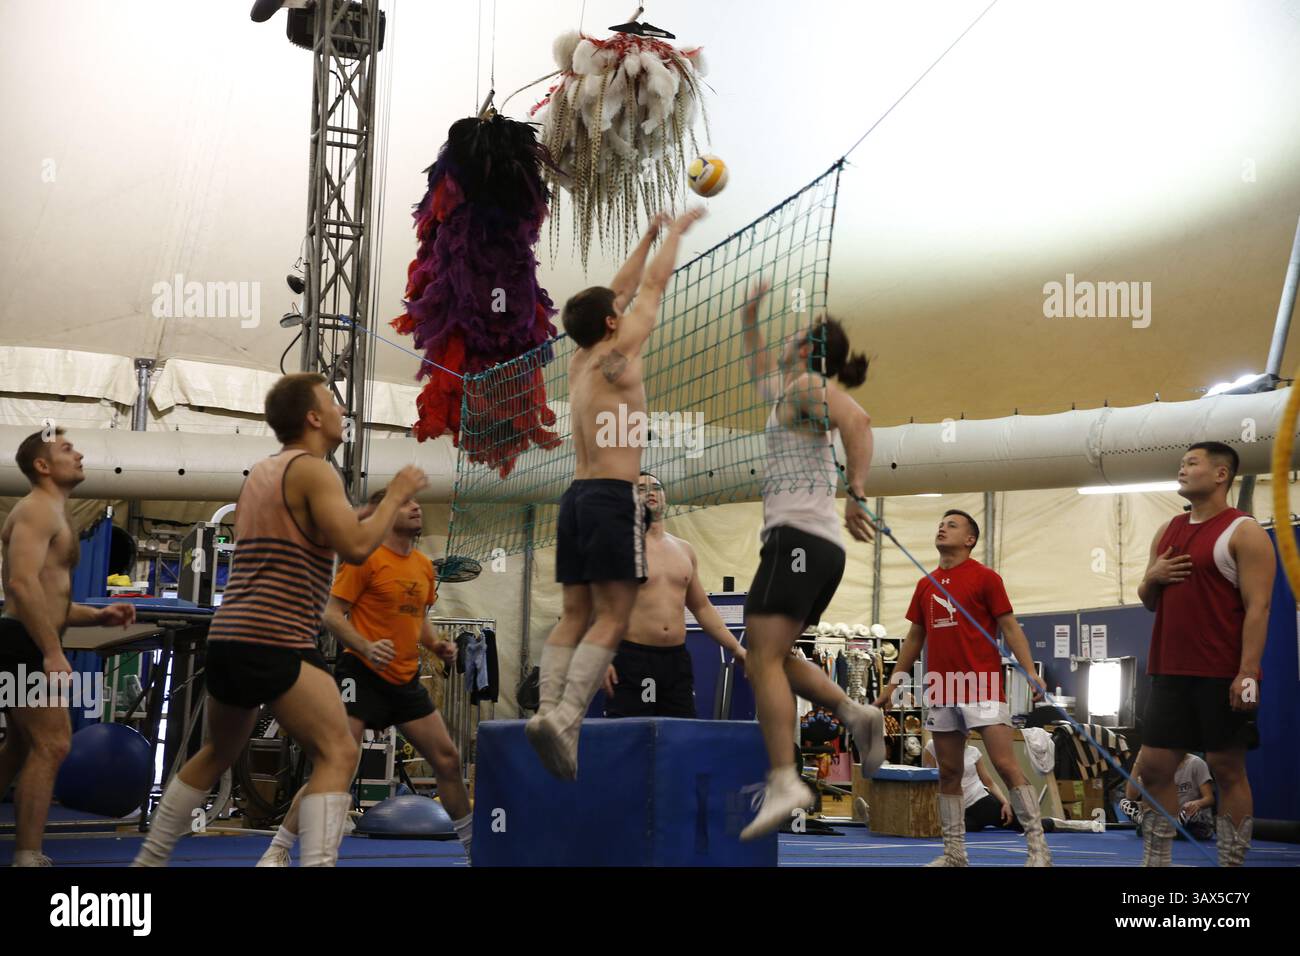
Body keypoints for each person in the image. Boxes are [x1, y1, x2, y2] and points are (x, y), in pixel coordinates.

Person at [132, 373, 427, 867]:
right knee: (338, 751)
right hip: (276, 637)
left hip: (229, 636)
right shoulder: (314, 470)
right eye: (332, 402)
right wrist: (395, 496)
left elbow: (332, 528)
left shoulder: (266, 472)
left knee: (215, 753)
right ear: (313, 418)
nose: (340, 410)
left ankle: (148, 861)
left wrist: (370, 511)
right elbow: (355, 548)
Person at [527, 208, 705, 780]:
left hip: (574, 497)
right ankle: (567, 720)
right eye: (616, 313)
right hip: (610, 497)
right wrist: (674, 236)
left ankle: (548, 710)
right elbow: (650, 286)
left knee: (574, 613)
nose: (623, 310)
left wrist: (646, 236)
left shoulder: (580, 358)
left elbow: (622, 288)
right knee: (613, 613)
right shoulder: (618, 354)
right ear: (611, 323)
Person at [735, 280, 886, 841]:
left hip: (799, 540)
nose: (786, 337)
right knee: (765, 657)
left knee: (763, 660)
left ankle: (785, 778)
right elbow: (756, 365)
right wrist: (749, 316)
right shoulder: (790, 390)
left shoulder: (807, 385)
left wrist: (859, 491)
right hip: (806, 546)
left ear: (806, 349)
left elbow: (860, 422)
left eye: (795, 333)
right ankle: (854, 713)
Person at [257, 486, 472, 865]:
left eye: (415, 502)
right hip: (361, 674)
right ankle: (278, 850)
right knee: (336, 766)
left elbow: (419, 617)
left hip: (404, 680)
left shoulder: (422, 564)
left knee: (448, 760)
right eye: (405, 502)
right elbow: (330, 613)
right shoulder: (365, 559)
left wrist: (437, 644)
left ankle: (476, 851)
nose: (416, 506)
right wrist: (367, 646)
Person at [874, 509, 1052, 866]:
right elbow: (913, 638)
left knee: (1005, 764)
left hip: (982, 684)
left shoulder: (986, 578)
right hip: (941, 687)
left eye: (952, 525)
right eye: (940, 523)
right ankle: (955, 855)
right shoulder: (926, 584)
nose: (942, 527)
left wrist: (1031, 671)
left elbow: (1011, 628)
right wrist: (892, 684)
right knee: (950, 772)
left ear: (970, 539)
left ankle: (1038, 850)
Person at [0, 429, 137, 867]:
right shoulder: (37, 510)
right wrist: (51, 652)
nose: (78, 454)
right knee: (54, 744)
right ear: (42, 466)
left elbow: (50, 597)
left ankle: (25, 851)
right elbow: (20, 585)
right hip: (23, 643)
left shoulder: (54, 512)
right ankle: (27, 855)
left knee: (22, 747)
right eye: (65, 449)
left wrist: (97, 616)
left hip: (27, 640)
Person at [1134, 441, 1272, 866]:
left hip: (1219, 672)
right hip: (1168, 671)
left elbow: (1259, 607)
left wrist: (1248, 673)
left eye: (1191, 463)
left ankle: (1231, 863)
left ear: (1220, 475)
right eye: (1181, 463)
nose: (1182, 469)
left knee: (1227, 770)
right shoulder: (1167, 531)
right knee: (1154, 770)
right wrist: (1152, 576)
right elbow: (1148, 600)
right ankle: (1157, 861)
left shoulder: (1244, 532)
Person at [601, 472, 746, 717]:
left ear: (665, 497)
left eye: (656, 487)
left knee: (680, 736)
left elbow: (701, 607)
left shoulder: (684, 550)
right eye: (641, 488)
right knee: (631, 737)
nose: (650, 492)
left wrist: (736, 648)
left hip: (676, 661)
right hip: (632, 659)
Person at [922, 738, 1018, 832]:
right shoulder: (933, 746)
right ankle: (976, 823)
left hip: (979, 800)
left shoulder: (973, 751)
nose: (969, 733)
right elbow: (929, 780)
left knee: (1017, 819)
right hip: (953, 806)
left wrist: (1005, 803)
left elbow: (989, 782)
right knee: (969, 826)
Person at [1121, 751, 1215, 841]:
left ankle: (1159, 828)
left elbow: (1209, 798)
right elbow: (1130, 796)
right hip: (1165, 819)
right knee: (1124, 803)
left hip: (1190, 823)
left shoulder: (1196, 763)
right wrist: (1137, 765)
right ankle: (1152, 825)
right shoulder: (1155, 765)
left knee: (1190, 811)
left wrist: (1197, 803)